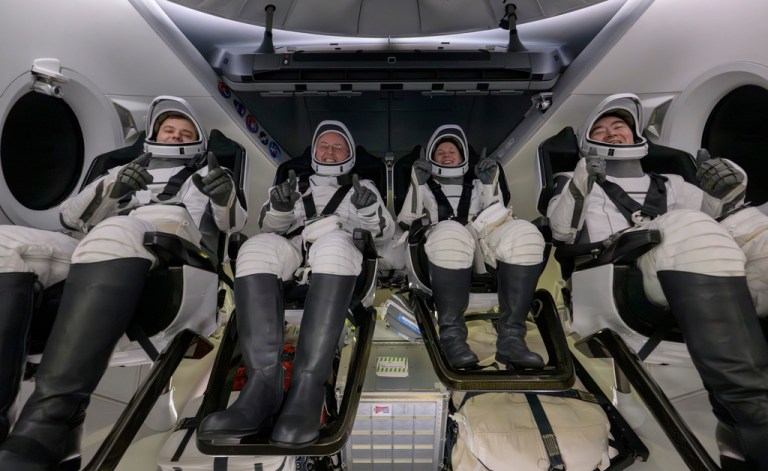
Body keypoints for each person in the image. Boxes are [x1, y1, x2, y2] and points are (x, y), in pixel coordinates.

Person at [0, 95, 246, 469]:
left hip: (174, 246)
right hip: (98, 247)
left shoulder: (209, 174)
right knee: (7, 243)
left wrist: (224, 195)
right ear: (153, 134)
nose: (176, 135)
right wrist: (114, 188)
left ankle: (51, 427)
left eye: (185, 131)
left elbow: (232, 224)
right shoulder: (119, 170)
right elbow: (70, 219)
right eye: (168, 129)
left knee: (118, 228)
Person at [546, 93, 768, 469]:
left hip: (699, 268)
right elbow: (562, 232)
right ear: (588, 144)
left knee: (755, 226)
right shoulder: (573, 182)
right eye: (601, 129)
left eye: (619, 127)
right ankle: (749, 414)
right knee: (684, 223)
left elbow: (726, 222)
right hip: (619, 275)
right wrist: (584, 176)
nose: (611, 133)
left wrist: (730, 192)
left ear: (636, 138)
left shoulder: (676, 184)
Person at [197, 120, 394, 447]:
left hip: (337, 246)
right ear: (314, 152)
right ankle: (262, 385)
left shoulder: (365, 187)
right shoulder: (291, 184)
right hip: (292, 247)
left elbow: (385, 232)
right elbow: (268, 226)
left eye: (338, 147)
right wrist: (281, 208)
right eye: (324, 147)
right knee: (254, 248)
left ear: (349, 154)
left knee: (333, 248)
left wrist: (369, 210)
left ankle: (307, 387)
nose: (330, 152)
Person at [397, 124, 545, 369]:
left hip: (481, 247)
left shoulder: (478, 186)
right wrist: (416, 184)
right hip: (439, 248)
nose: (446, 155)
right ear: (431, 158)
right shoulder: (424, 186)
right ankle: (452, 338)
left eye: (451, 151)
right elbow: (405, 222)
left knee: (525, 233)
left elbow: (496, 215)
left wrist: (490, 184)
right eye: (440, 152)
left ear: (463, 156)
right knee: (452, 232)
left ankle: (512, 340)